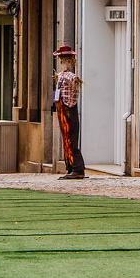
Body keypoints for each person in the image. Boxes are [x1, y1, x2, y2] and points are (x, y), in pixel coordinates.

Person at [53, 45, 85, 180]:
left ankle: (77, 168)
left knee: (71, 139)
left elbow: (74, 80)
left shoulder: (68, 76)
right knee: (67, 138)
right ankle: (72, 166)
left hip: (68, 109)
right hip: (63, 109)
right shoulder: (62, 76)